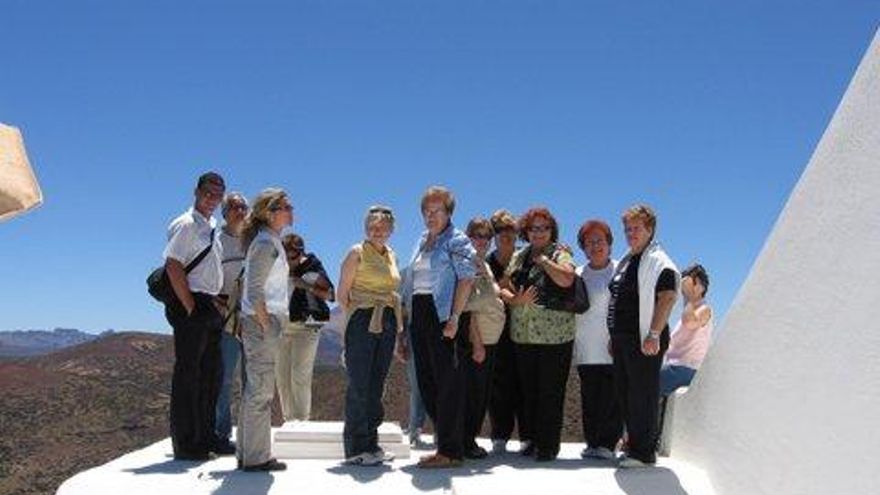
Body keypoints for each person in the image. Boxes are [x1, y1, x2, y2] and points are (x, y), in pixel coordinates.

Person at [402, 186, 476, 469]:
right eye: (427, 211)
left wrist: (455, 318)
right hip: (419, 313)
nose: (431, 216)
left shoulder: (457, 240)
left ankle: (451, 451)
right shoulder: (423, 240)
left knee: (447, 382)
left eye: (437, 211)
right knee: (426, 381)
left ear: (449, 213)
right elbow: (411, 282)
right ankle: (446, 442)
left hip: (442, 313)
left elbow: (466, 279)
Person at [500, 207, 577, 462]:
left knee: (550, 392)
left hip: (556, 337)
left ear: (552, 230)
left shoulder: (560, 253)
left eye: (544, 228)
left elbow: (567, 279)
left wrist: (544, 261)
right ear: (527, 231)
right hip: (523, 335)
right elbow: (503, 287)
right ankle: (531, 440)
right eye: (534, 228)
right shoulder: (519, 256)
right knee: (528, 391)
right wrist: (515, 300)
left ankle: (548, 446)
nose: (539, 233)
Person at [607, 204, 679, 468]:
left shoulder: (659, 261)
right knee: (626, 393)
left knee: (642, 394)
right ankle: (634, 444)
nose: (631, 233)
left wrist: (654, 334)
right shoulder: (629, 260)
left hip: (645, 338)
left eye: (636, 228)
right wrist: (614, 336)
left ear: (650, 230)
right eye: (627, 229)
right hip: (623, 338)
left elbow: (668, 296)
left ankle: (644, 452)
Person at [163, 172, 226, 461]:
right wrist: (189, 305)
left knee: (210, 375)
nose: (212, 199)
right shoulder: (187, 224)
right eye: (208, 192)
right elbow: (173, 264)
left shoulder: (210, 226)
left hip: (208, 304)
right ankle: (187, 443)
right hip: (192, 303)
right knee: (188, 375)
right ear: (196, 192)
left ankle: (206, 437)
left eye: (218, 194)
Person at [336, 205, 404, 466]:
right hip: (363, 318)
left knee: (377, 383)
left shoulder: (392, 255)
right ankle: (356, 447)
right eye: (373, 226)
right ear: (366, 228)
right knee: (359, 383)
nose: (377, 231)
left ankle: (371, 444)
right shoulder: (357, 253)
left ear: (391, 230)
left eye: (383, 227)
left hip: (386, 318)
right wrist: (357, 316)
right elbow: (342, 295)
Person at [236, 188, 294, 472]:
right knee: (260, 391)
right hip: (262, 323)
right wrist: (266, 324)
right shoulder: (265, 244)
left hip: (262, 321)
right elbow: (255, 290)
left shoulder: (269, 241)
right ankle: (256, 457)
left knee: (255, 389)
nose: (291, 211)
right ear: (270, 213)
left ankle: (247, 453)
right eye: (286, 207)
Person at [573, 219, 622, 460]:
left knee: (612, 399)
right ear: (583, 248)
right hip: (585, 347)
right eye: (589, 242)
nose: (595, 246)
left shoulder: (621, 269)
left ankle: (608, 444)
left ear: (609, 243)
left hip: (613, 347)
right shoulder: (577, 274)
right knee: (589, 397)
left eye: (599, 241)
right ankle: (592, 443)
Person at [276, 233, 335, 422]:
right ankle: (289, 420)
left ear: (301, 253)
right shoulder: (277, 265)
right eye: (285, 257)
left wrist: (306, 286)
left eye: (293, 257)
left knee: (299, 375)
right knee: (282, 377)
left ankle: (301, 421)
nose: (289, 262)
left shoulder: (312, 265)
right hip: (281, 326)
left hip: (306, 326)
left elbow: (331, 295)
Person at [461, 217, 506, 459]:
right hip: (478, 341)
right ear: (468, 237)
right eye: (477, 236)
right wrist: (477, 343)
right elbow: (467, 307)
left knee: (482, 393)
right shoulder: (467, 263)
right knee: (474, 394)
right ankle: (466, 442)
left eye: (487, 237)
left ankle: (469, 440)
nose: (482, 241)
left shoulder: (483, 264)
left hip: (491, 339)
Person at [485, 209, 523, 455]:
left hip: (523, 329)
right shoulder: (488, 262)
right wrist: (503, 287)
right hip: (496, 329)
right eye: (500, 231)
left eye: (511, 231)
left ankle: (527, 435)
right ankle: (500, 435)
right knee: (498, 384)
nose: (506, 236)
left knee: (523, 381)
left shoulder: (524, 259)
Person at [213, 192, 249, 455]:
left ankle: (250, 434)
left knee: (252, 378)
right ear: (224, 212)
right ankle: (221, 434)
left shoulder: (253, 240)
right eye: (235, 207)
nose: (240, 211)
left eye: (243, 207)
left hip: (252, 314)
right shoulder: (216, 241)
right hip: (226, 314)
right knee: (224, 377)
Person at [660, 264, 713, 396]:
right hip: (674, 368)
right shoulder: (688, 311)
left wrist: (689, 295)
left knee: (642, 383)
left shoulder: (705, 309)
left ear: (702, 286)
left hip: (685, 369)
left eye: (693, 281)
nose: (688, 285)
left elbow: (689, 322)